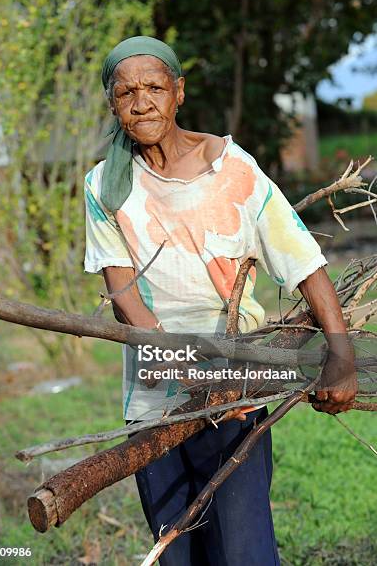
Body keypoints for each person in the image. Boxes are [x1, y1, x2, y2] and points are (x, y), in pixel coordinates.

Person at [84, 36, 357, 565]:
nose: (141, 103)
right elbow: (123, 297)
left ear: (179, 92)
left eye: (155, 88)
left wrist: (341, 356)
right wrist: (177, 363)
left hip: (236, 398)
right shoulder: (104, 186)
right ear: (112, 103)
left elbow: (303, 261)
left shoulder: (233, 169)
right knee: (176, 552)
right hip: (152, 404)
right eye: (126, 93)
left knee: (243, 551)